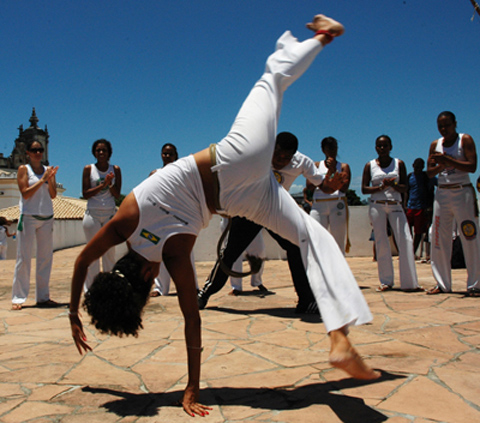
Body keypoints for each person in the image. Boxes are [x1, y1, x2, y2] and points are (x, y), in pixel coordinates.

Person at [69, 15, 379, 418]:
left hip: (238, 199)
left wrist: (191, 390)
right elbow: (82, 261)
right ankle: (324, 34)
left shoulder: (176, 256)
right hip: (232, 164)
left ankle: (341, 339)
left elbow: (192, 323)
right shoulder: (125, 221)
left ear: (146, 279)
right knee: (271, 78)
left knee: (310, 234)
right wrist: (73, 311)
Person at [197, 133, 327, 314]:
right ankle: (204, 294)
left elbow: (323, 184)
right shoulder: (256, 155)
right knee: (229, 254)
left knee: (296, 247)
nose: (281, 161)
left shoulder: (303, 162)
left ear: (293, 156)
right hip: (249, 211)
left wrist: (333, 184)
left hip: (276, 213)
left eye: (286, 158)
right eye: (277, 155)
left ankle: (306, 299)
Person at [426, 111, 480, 296]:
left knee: (470, 237)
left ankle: (475, 284)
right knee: (439, 238)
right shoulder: (436, 144)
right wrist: (440, 165)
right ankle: (442, 283)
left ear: (455, 124)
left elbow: (472, 166)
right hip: (442, 193)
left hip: (462, 190)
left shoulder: (465, 140)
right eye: (440, 126)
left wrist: (448, 160)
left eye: (447, 125)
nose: (443, 129)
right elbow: (430, 173)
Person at [362, 135, 420, 292]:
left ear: (390, 147)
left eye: (385, 145)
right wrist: (381, 187)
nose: (382, 149)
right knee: (381, 242)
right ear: (375, 148)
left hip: (395, 205)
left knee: (406, 239)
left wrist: (393, 184)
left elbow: (404, 187)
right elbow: (364, 189)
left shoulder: (399, 164)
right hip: (377, 206)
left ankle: (410, 282)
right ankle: (386, 281)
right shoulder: (370, 165)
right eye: (379, 146)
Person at [12, 140, 58, 310]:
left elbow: (53, 195)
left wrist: (50, 179)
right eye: (34, 150)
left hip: (46, 216)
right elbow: (25, 194)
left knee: (45, 258)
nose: (38, 152)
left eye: (40, 149)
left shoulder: (48, 170)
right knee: (23, 258)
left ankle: (43, 297)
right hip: (29, 217)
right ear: (28, 153)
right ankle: (18, 298)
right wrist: (42, 181)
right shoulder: (24, 169)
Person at [149, 143, 199, 297]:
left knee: (186, 253)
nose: (167, 156)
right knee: (161, 253)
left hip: (180, 217)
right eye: (164, 153)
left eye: (170, 154)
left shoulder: (183, 173)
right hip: (161, 218)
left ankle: (193, 286)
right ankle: (160, 288)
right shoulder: (154, 174)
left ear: (176, 156)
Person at [82, 139, 122, 291]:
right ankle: (91, 290)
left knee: (109, 253)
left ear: (109, 153)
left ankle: (109, 289)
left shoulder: (115, 169)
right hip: (92, 214)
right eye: (98, 150)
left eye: (104, 150)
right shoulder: (88, 169)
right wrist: (102, 185)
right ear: (94, 152)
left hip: (110, 215)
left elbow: (117, 194)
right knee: (92, 254)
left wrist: (110, 184)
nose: (101, 153)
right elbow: (86, 193)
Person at [310, 136, 351, 254]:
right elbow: (309, 185)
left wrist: (334, 171)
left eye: (334, 148)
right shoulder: (317, 165)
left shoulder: (343, 167)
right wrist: (328, 174)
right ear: (323, 150)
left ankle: (339, 271)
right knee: (317, 238)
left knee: (338, 240)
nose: (332, 151)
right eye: (329, 148)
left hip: (337, 202)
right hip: (319, 204)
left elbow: (344, 188)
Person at [219, 217, 266, 295]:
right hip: (230, 218)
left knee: (259, 251)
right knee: (233, 255)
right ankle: (236, 287)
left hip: (249, 217)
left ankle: (257, 281)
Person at [405, 158, 434, 260]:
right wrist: (405, 205)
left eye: (420, 166)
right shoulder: (410, 177)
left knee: (418, 232)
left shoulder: (426, 177)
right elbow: (406, 191)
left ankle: (412, 252)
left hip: (421, 207)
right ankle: (408, 251)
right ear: (413, 166)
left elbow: (433, 187)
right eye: (416, 166)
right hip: (410, 207)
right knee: (407, 231)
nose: (418, 168)